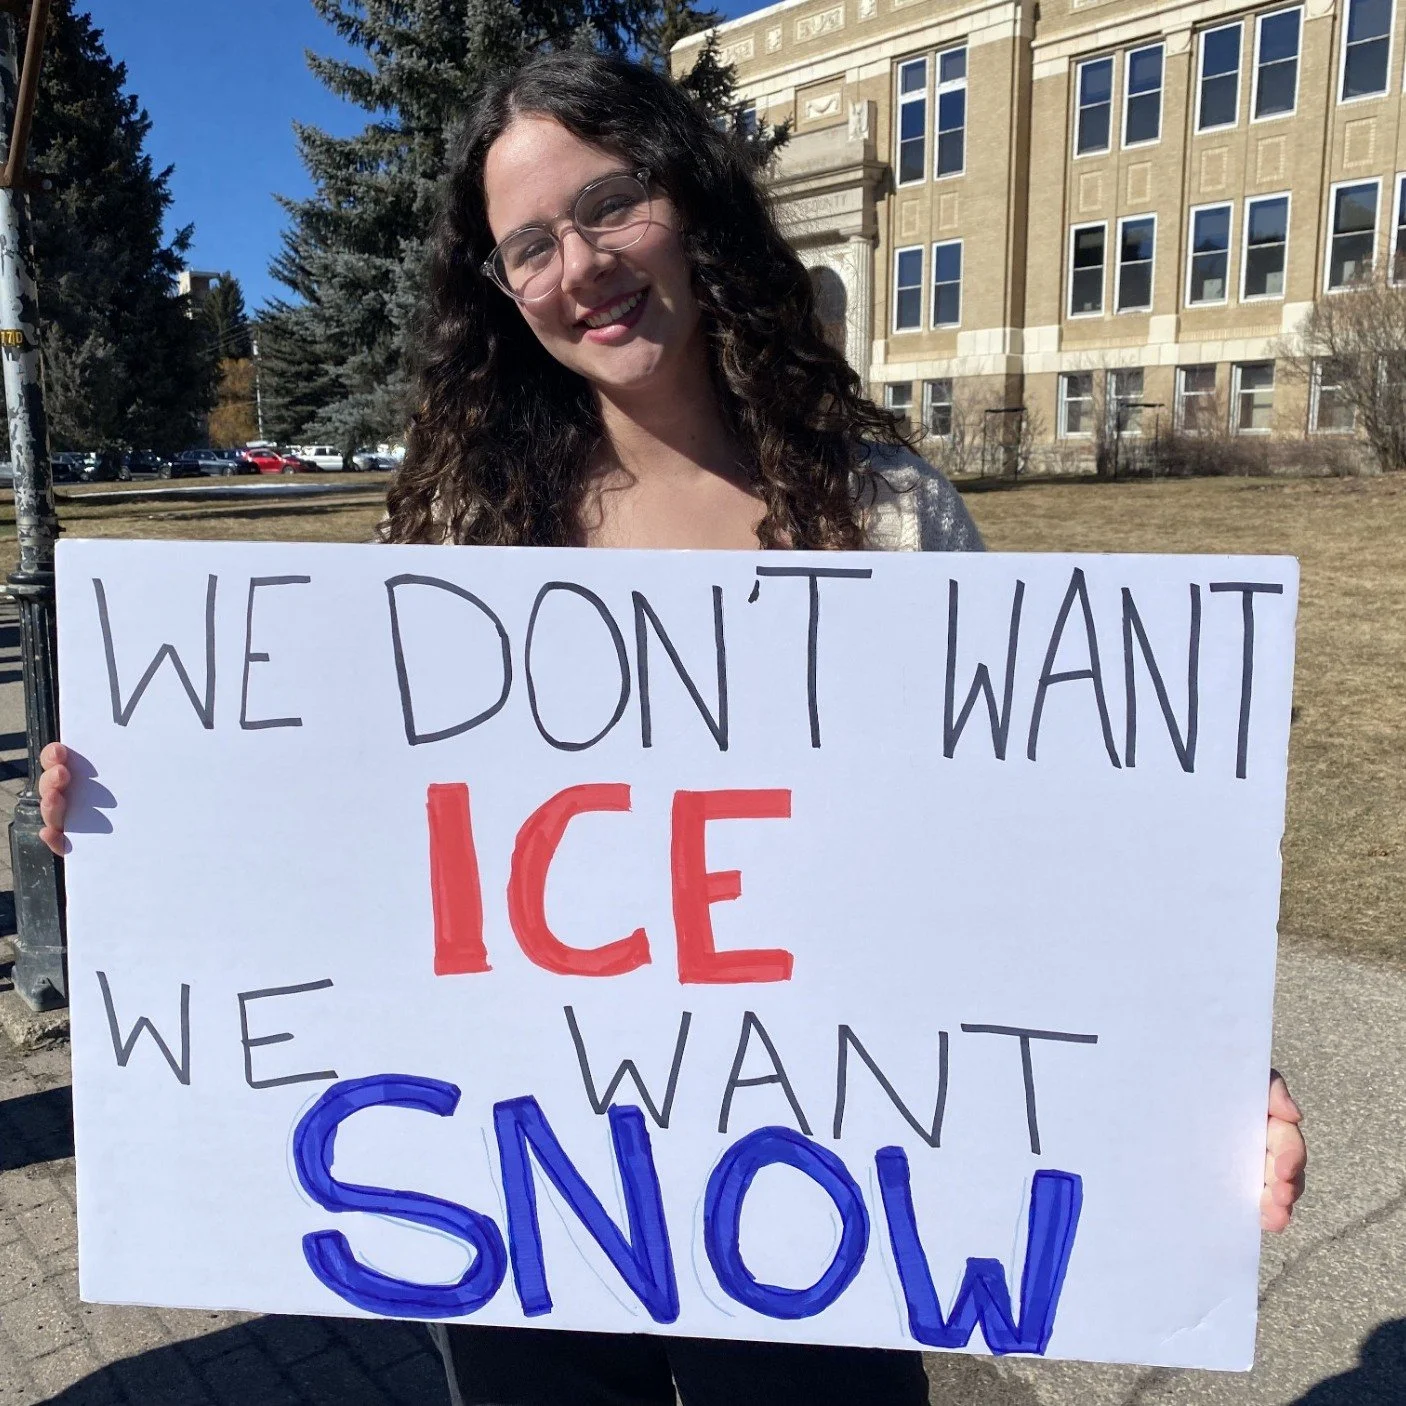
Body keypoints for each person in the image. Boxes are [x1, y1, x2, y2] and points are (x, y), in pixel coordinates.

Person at [37, 49, 1305, 1406]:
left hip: (823, 1177)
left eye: (610, 205)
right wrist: (150, 812)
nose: (578, 265)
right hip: (525, 1176)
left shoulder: (883, 512)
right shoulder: (462, 535)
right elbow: (337, 818)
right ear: (501, 290)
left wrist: (1211, 1052)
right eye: (528, 245)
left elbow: (1038, 828)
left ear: (688, 205)